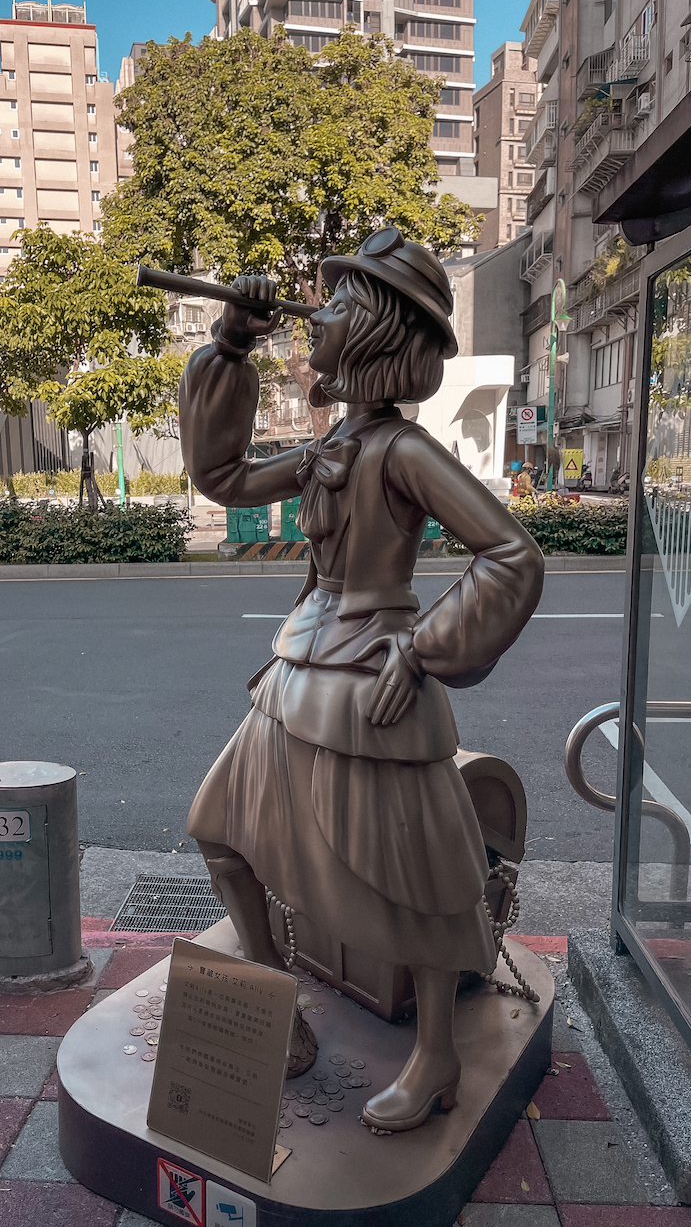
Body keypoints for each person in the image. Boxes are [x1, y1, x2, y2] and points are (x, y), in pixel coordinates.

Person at [179, 227, 544, 1134]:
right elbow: (221, 475)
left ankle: (435, 1057)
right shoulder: (330, 444)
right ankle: (275, 1004)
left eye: (337, 303)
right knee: (217, 831)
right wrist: (231, 344)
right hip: (297, 668)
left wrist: (422, 647)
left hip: (371, 681)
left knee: (417, 880)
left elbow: (511, 553)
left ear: (376, 331)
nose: (318, 315)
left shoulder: (403, 452)